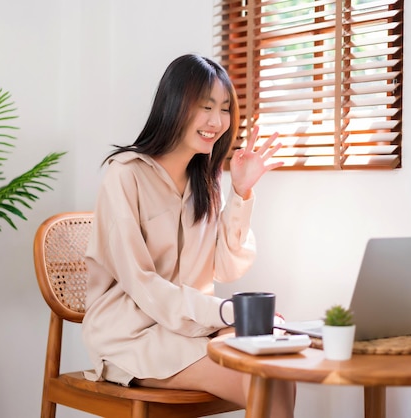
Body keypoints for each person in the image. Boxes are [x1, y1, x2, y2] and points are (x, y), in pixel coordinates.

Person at [82, 54, 295, 417]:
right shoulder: (125, 176)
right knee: (262, 378)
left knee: (275, 359)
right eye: (205, 106)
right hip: (134, 337)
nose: (217, 121)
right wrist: (228, 313)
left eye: (225, 108)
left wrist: (241, 193)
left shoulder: (206, 178)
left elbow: (227, 268)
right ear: (175, 105)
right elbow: (142, 282)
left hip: (194, 329)